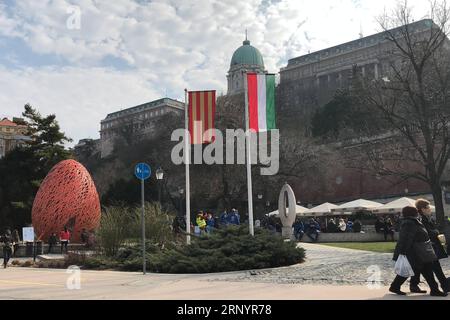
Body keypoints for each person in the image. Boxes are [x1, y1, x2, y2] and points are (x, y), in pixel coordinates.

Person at [389, 206, 447, 296]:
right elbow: (406, 238)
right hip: (414, 252)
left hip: (418, 251)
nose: (418, 212)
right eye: (416, 211)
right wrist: (403, 252)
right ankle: (434, 290)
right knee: (420, 269)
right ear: (413, 213)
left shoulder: (413, 221)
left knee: (424, 269)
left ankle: (434, 289)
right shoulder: (409, 223)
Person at [410, 199, 449, 293]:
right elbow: (426, 232)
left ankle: (414, 285)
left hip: (429, 247)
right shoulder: (422, 219)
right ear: (422, 209)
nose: (429, 209)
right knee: (434, 267)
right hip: (428, 247)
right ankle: (442, 286)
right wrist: (436, 232)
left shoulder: (426, 218)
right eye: (427, 207)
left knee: (426, 268)